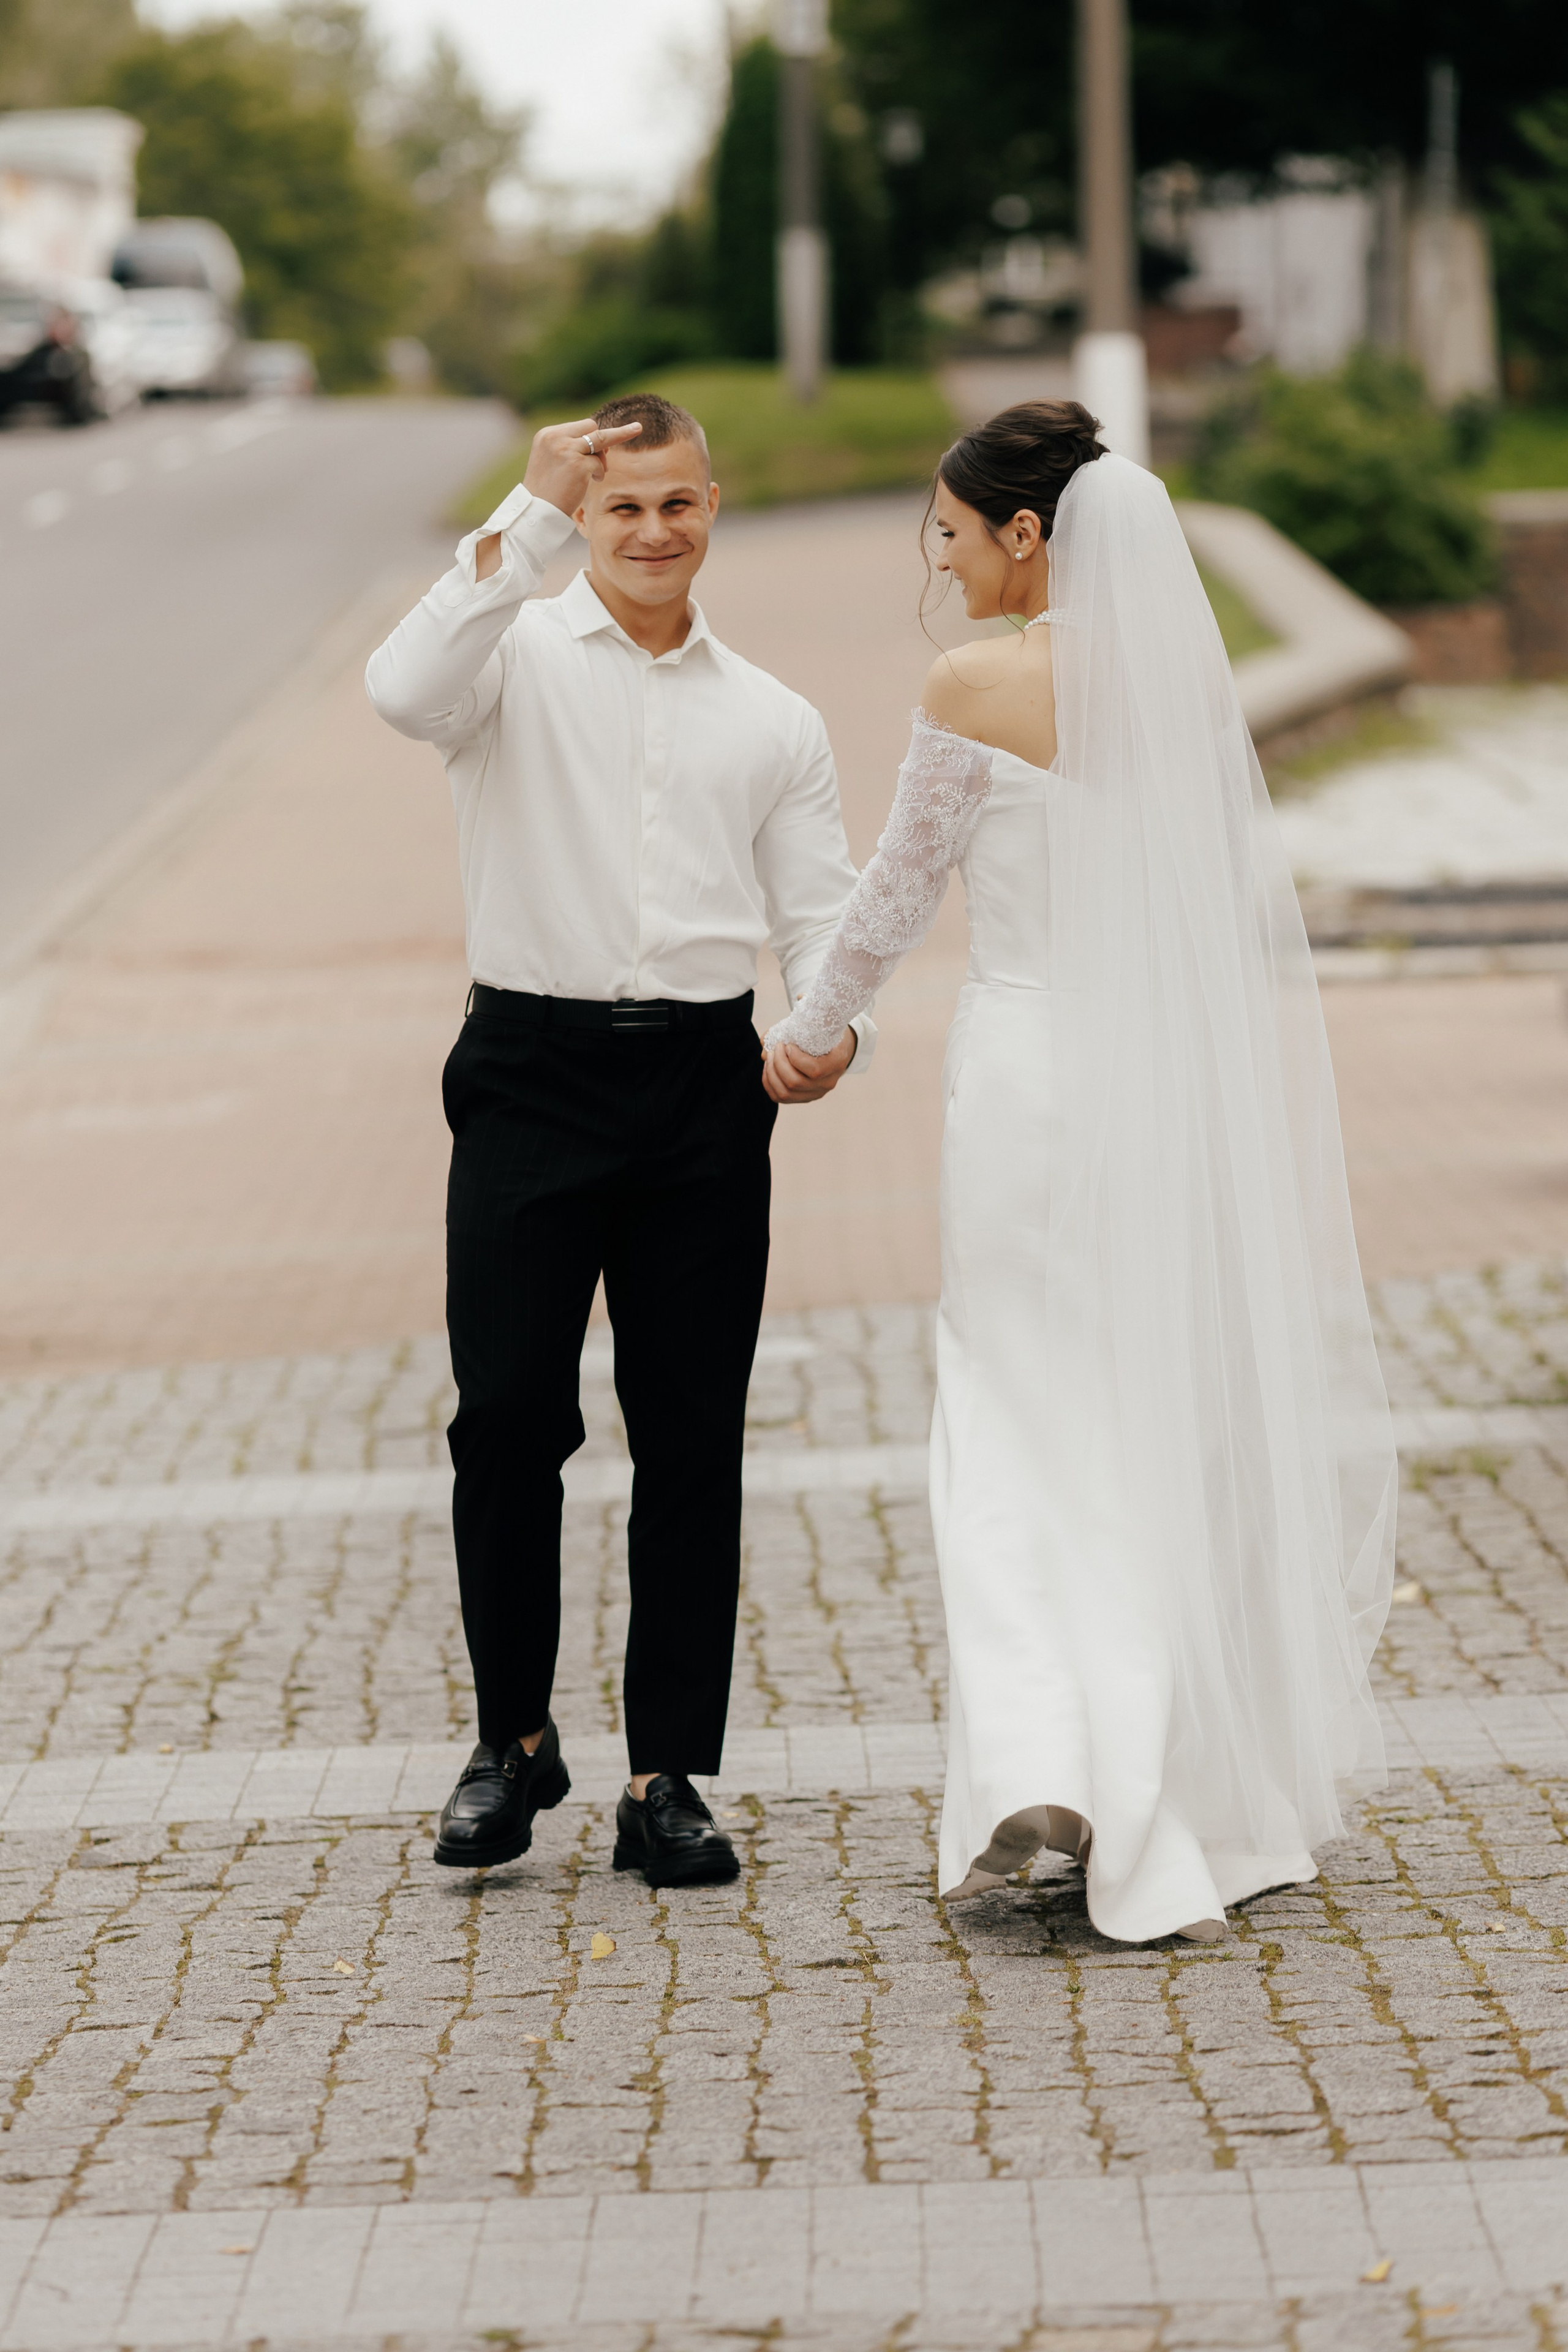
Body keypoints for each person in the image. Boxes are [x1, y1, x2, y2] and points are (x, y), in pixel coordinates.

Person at [764, 401, 1397, 1944]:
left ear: (1028, 534)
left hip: (1034, 1082)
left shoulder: (974, 681)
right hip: (1158, 1081)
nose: (943, 557)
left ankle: (1048, 1770)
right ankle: (1177, 1773)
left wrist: (805, 1033)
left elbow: (897, 891)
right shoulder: (1171, 684)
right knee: (1140, 1407)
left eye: (953, 530)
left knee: (1011, 1403)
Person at [366, 393, 872, 1890]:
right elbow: (398, 688)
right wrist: (522, 518)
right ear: (585, 520)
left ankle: (668, 1776)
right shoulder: (502, 664)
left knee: (688, 1432)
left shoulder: (771, 716)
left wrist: (831, 1025)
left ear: (713, 508)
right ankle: (511, 1744)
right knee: (508, 1417)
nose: (652, 533)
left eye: (676, 505)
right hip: (527, 1071)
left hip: (704, 1094)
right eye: (621, 508)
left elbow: (820, 911)